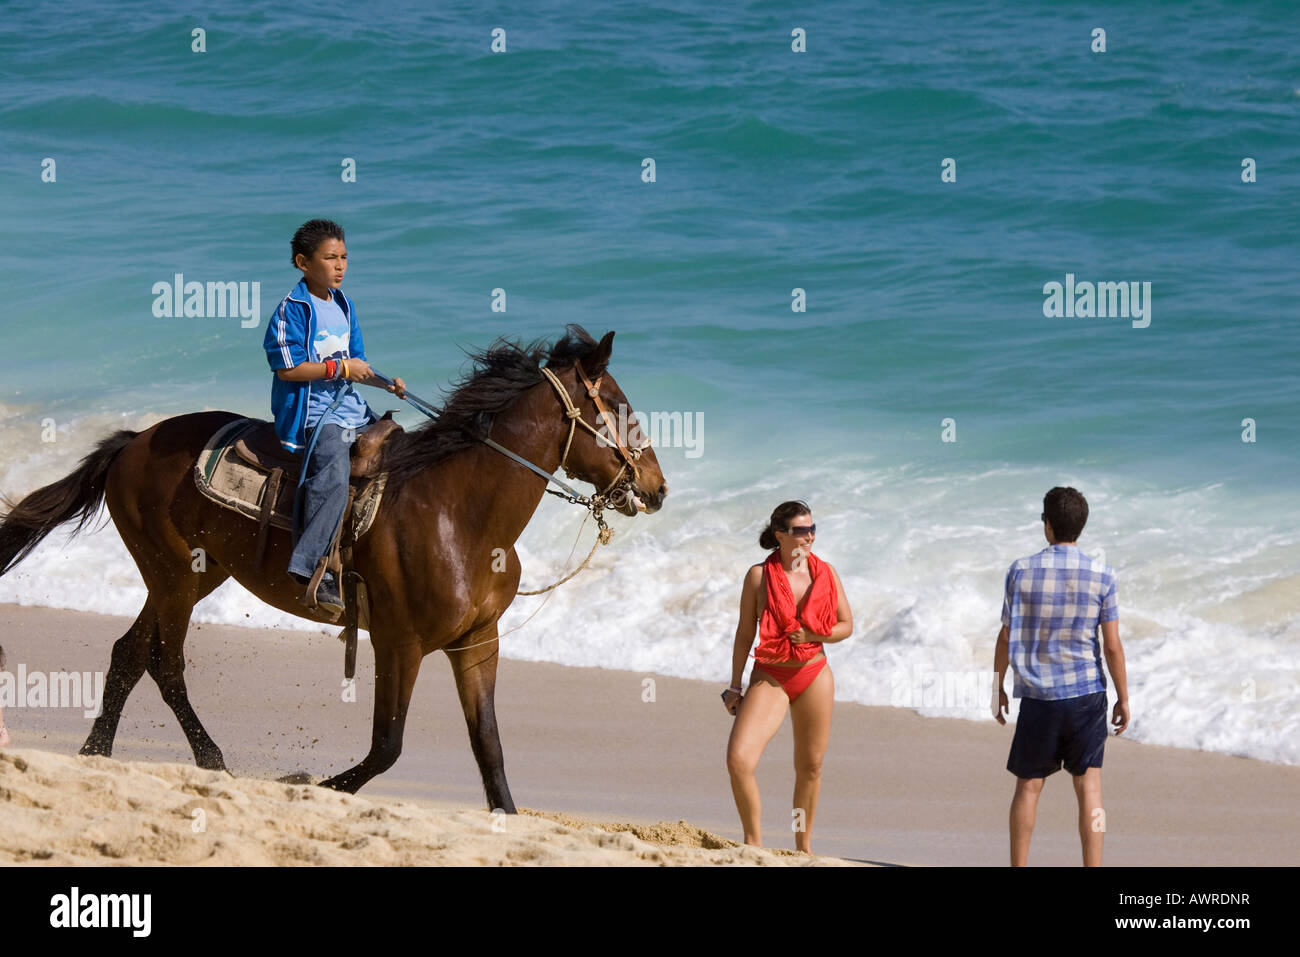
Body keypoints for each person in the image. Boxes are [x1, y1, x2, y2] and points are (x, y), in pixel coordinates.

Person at [262, 219, 405, 614]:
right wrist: (340, 371)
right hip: (315, 415)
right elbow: (287, 369)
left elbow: (357, 363)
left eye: (344, 257)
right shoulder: (292, 310)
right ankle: (311, 566)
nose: (340, 266)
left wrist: (385, 383)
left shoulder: (343, 304)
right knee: (333, 477)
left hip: (352, 407)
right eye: (330, 258)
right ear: (303, 263)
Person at [993, 486, 1131, 866]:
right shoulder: (1103, 576)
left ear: (1048, 525)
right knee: (1090, 789)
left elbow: (1006, 634)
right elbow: (1113, 645)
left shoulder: (1020, 571)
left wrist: (998, 686)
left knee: (1028, 786)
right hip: (1086, 695)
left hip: (1039, 696)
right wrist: (1123, 696)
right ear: (1080, 527)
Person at [724, 500, 853, 853]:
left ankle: (802, 848)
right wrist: (735, 686)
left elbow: (846, 625)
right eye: (801, 530)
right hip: (771, 675)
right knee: (739, 759)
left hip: (814, 674)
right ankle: (753, 844)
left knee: (810, 767)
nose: (809, 536)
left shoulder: (826, 572)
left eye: (812, 529)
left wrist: (814, 636)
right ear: (780, 534)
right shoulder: (758, 576)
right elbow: (744, 634)